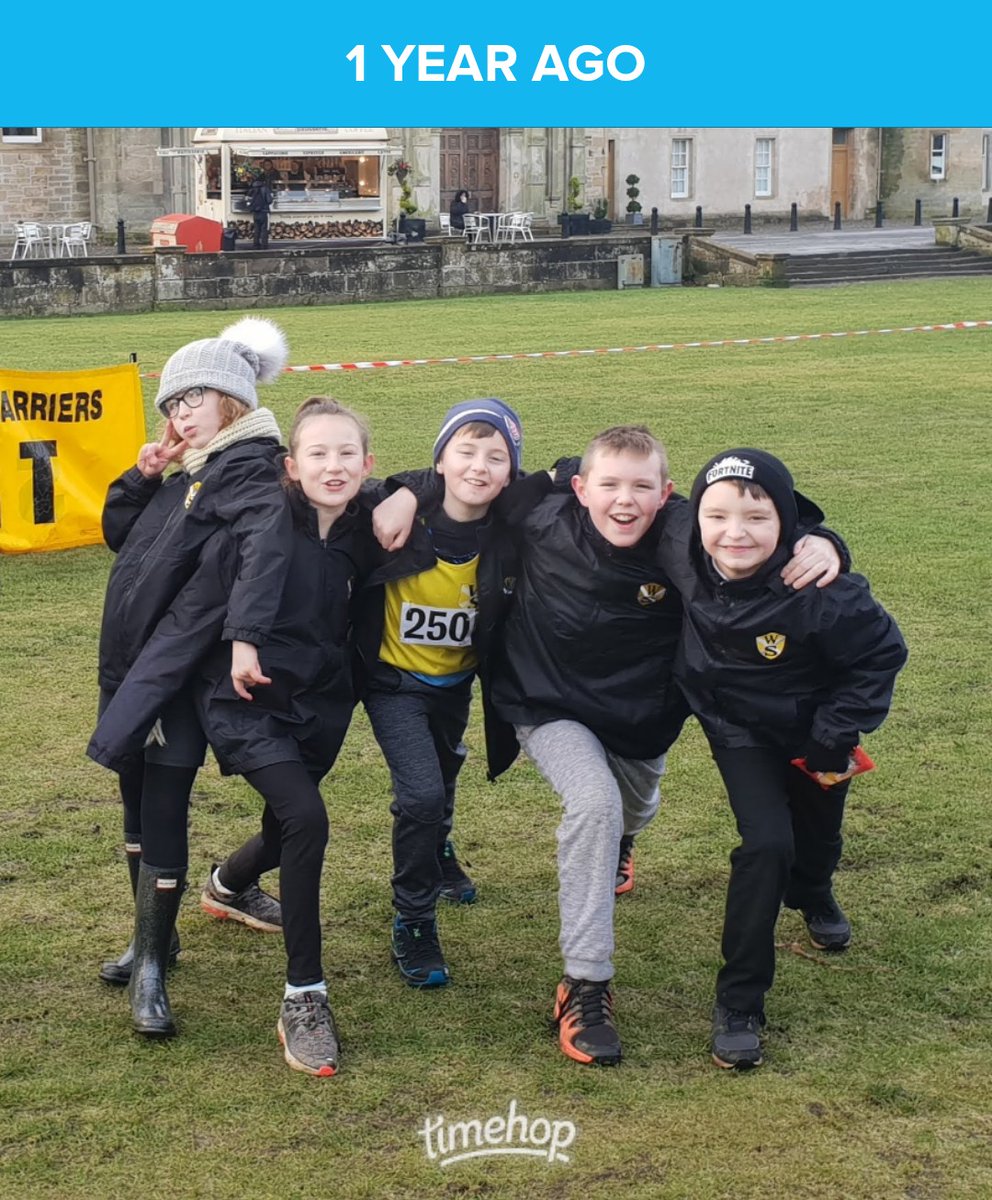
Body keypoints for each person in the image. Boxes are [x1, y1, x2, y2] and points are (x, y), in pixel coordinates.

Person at [487, 426, 844, 1068]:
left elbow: (756, 519)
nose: (624, 501)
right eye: (608, 486)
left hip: (643, 716)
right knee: (593, 804)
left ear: (667, 494)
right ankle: (584, 984)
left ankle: (624, 839)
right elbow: (459, 489)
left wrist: (823, 540)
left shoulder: (684, 532)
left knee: (630, 807)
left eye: (641, 488)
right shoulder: (542, 515)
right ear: (581, 489)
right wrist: (405, 495)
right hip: (548, 704)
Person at [663, 448, 907, 1070]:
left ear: (788, 523)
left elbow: (881, 653)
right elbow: (621, 487)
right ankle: (739, 1002)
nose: (734, 533)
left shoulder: (822, 589)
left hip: (816, 736)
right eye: (717, 516)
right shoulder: (681, 542)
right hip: (737, 729)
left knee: (817, 837)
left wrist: (834, 733)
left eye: (757, 517)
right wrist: (565, 473)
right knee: (767, 845)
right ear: (697, 516)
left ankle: (815, 891)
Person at [87, 317, 291, 1038]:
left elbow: (264, 555)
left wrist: (244, 638)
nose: (179, 413)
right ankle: (154, 938)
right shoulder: (191, 471)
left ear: (232, 398)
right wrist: (142, 477)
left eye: (192, 397)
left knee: (164, 802)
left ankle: (151, 968)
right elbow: (119, 536)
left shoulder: (251, 469)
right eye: (171, 402)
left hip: (176, 673)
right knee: (133, 799)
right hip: (129, 667)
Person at [191, 397, 383, 1076]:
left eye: (347, 453)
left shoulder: (366, 524)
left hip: (321, 703)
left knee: (287, 827)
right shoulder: (269, 515)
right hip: (248, 695)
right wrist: (242, 641)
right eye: (318, 453)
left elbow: (435, 488)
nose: (334, 466)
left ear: (368, 463)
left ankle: (226, 885)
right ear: (291, 466)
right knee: (307, 819)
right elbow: (251, 574)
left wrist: (405, 497)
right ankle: (305, 995)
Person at [356, 399, 548, 989]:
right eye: (465, 452)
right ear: (439, 459)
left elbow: (571, 474)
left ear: (511, 473)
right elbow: (340, 488)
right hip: (394, 683)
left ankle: (437, 847)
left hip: (457, 683)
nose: (478, 466)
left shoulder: (512, 529)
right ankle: (414, 919)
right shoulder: (393, 513)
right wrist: (408, 491)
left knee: (444, 770)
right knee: (419, 794)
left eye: (496, 457)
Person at [246, 173, 274, 249]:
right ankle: (264, 245)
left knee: (257, 229)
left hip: (255, 212)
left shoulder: (252, 188)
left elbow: (248, 199)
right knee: (264, 229)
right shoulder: (265, 188)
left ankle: (256, 244)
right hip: (264, 211)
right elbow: (269, 200)